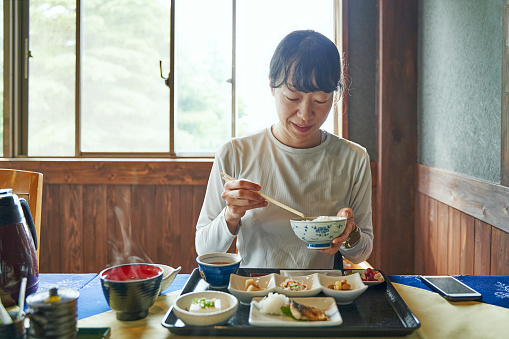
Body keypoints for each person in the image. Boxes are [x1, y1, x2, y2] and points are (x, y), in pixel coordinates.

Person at [195, 30, 373, 269]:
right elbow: (204, 249)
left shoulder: (354, 159)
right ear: (272, 85)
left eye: (320, 100)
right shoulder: (235, 153)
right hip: (256, 292)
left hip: (323, 297)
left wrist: (349, 234)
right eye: (292, 98)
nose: (305, 114)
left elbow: (361, 254)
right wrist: (231, 215)